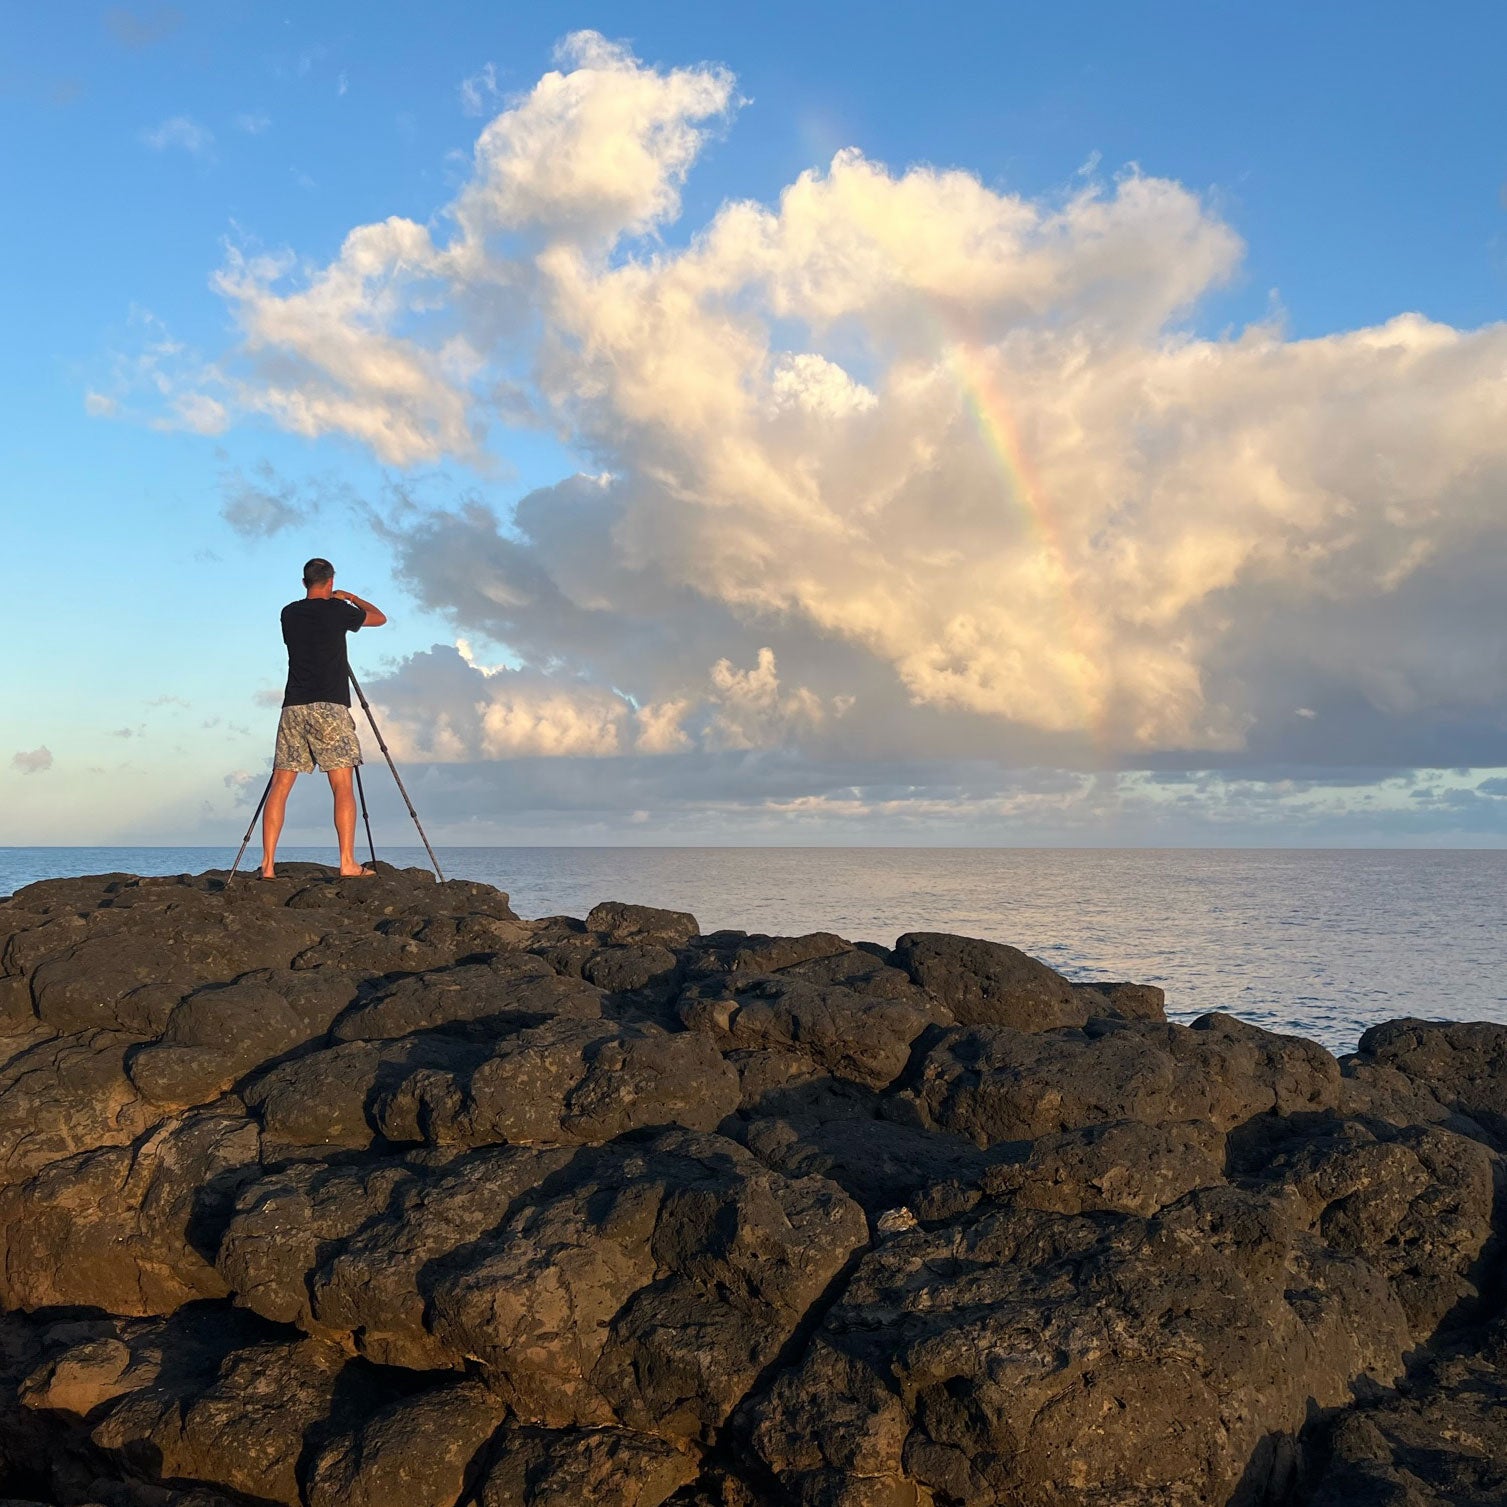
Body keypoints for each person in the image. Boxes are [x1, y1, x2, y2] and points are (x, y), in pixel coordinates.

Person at [259, 558, 387, 879]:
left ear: (304, 583)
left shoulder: (288, 613)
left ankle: (268, 866)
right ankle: (347, 863)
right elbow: (380, 619)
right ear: (330, 582)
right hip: (330, 704)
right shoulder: (338, 611)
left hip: (294, 706)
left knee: (281, 784)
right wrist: (350, 599)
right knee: (342, 785)